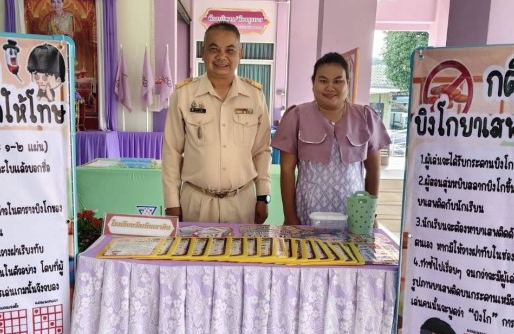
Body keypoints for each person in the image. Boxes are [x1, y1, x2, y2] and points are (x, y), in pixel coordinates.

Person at [162, 21, 271, 224]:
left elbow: (261, 151)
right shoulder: (184, 95)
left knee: (242, 247)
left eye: (230, 50)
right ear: (203, 52)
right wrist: (171, 202)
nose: (222, 56)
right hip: (196, 202)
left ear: (240, 54)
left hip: (242, 202)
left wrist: (263, 196)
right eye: (214, 49)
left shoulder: (254, 96)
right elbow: (172, 151)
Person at [271, 52, 391, 225]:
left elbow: (373, 169)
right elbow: (287, 170)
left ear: (347, 83)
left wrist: (369, 214)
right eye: (323, 81)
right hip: (307, 214)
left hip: (354, 216)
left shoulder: (365, 117)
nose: (330, 87)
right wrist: (290, 217)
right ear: (313, 83)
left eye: (337, 81)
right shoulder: (297, 116)